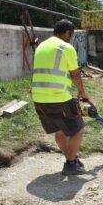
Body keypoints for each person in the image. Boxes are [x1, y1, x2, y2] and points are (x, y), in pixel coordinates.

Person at [32, 19, 89, 175]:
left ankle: (72, 159)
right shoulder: (66, 47)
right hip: (58, 97)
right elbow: (75, 74)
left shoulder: (41, 47)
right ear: (67, 32)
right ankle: (71, 164)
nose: (70, 37)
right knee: (77, 129)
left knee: (59, 130)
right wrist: (82, 92)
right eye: (70, 34)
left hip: (39, 98)